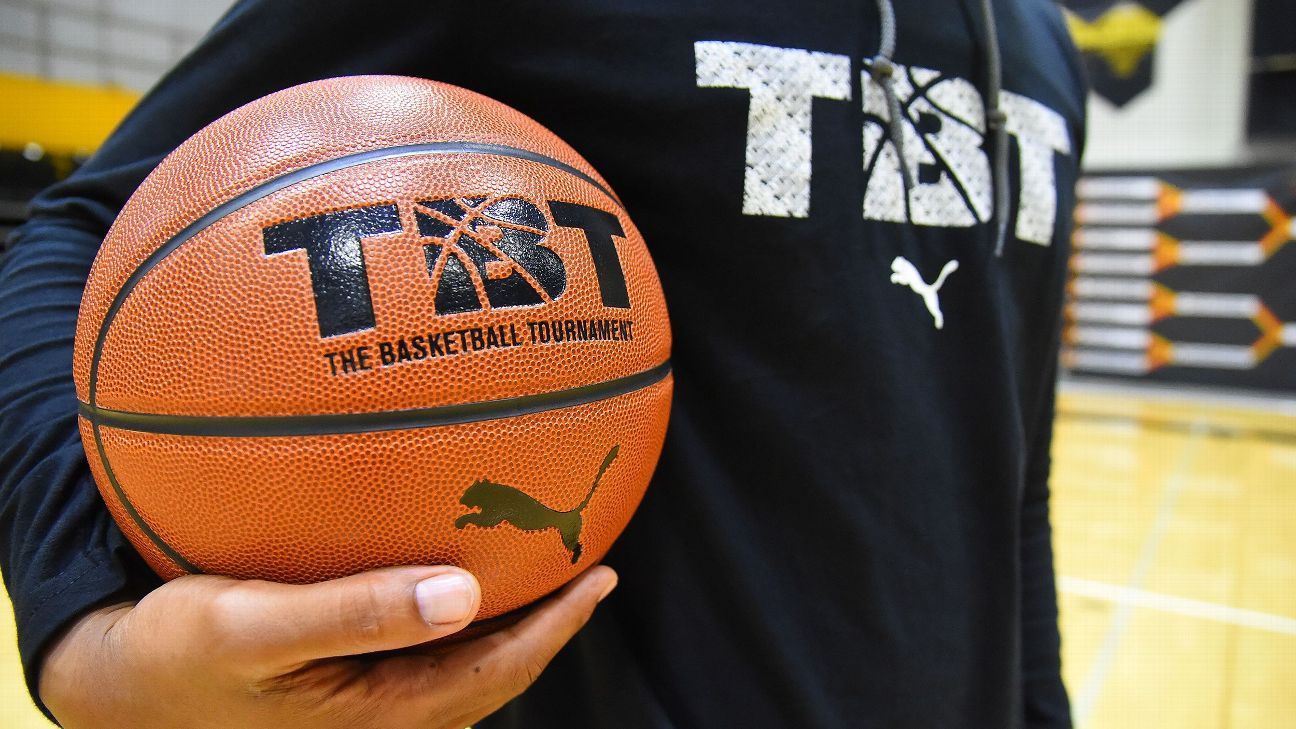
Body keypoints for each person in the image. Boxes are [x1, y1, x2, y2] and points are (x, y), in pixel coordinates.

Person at [0, 0, 1086, 726]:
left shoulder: (1040, 43)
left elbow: (1007, 453)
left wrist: (1039, 705)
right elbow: (78, 228)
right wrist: (84, 630)